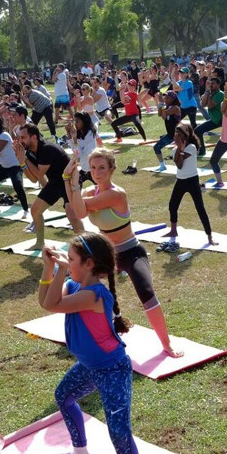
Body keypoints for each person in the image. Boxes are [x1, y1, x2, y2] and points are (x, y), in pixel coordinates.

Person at [38, 233, 145, 454]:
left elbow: (53, 304)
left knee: (119, 431)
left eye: (71, 259)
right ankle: (81, 451)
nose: (68, 262)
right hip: (88, 366)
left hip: (113, 370)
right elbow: (45, 301)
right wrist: (49, 268)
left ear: (88, 263)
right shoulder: (74, 285)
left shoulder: (95, 294)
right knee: (63, 396)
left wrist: (59, 269)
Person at [64, 149, 182, 357]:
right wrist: (68, 179)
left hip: (131, 251)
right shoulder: (90, 192)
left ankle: (166, 343)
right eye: (92, 168)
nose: (97, 173)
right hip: (107, 254)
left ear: (111, 169)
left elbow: (80, 209)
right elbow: (77, 209)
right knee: (79, 283)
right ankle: (92, 336)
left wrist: (72, 183)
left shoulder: (116, 194)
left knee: (146, 292)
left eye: (102, 168)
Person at [16, 122, 82, 248]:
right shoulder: (30, 152)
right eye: (20, 138)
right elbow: (34, 179)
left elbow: (39, 173)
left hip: (70, 180)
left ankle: (86, 246)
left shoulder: (47, 149)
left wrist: (24, 159)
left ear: (34, 137)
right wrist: (22, 162)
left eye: (23, 137)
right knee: (35, 211)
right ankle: (40, 243)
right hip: (56, 182)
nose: (20, 141)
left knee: (71, 214)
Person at [161, 122, 215, 250]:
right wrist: (179, 148)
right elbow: (178, 164)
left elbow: (181, 162)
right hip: (180, 181)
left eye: (179, 134)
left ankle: (209, 236)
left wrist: (181, 148)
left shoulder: (191, 147)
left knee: (200, 208)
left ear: (186, 135)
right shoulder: (176, 149)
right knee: (172, 205)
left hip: (192, 181)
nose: (176, 136)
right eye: (176, 134)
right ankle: (173, 230)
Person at [151, 91, 182, 172]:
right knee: (157, 147)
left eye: (167, 98)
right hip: (171, 134)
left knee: (182, 151)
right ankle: (162, 165)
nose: (165, 99)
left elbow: (164, 115)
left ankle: (164, 165)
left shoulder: (175, 108)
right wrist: (161, 105)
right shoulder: (168, 107)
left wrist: (161, 103)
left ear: (172, 99)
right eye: (165, 97)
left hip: (178, 135)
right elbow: (159, 114)